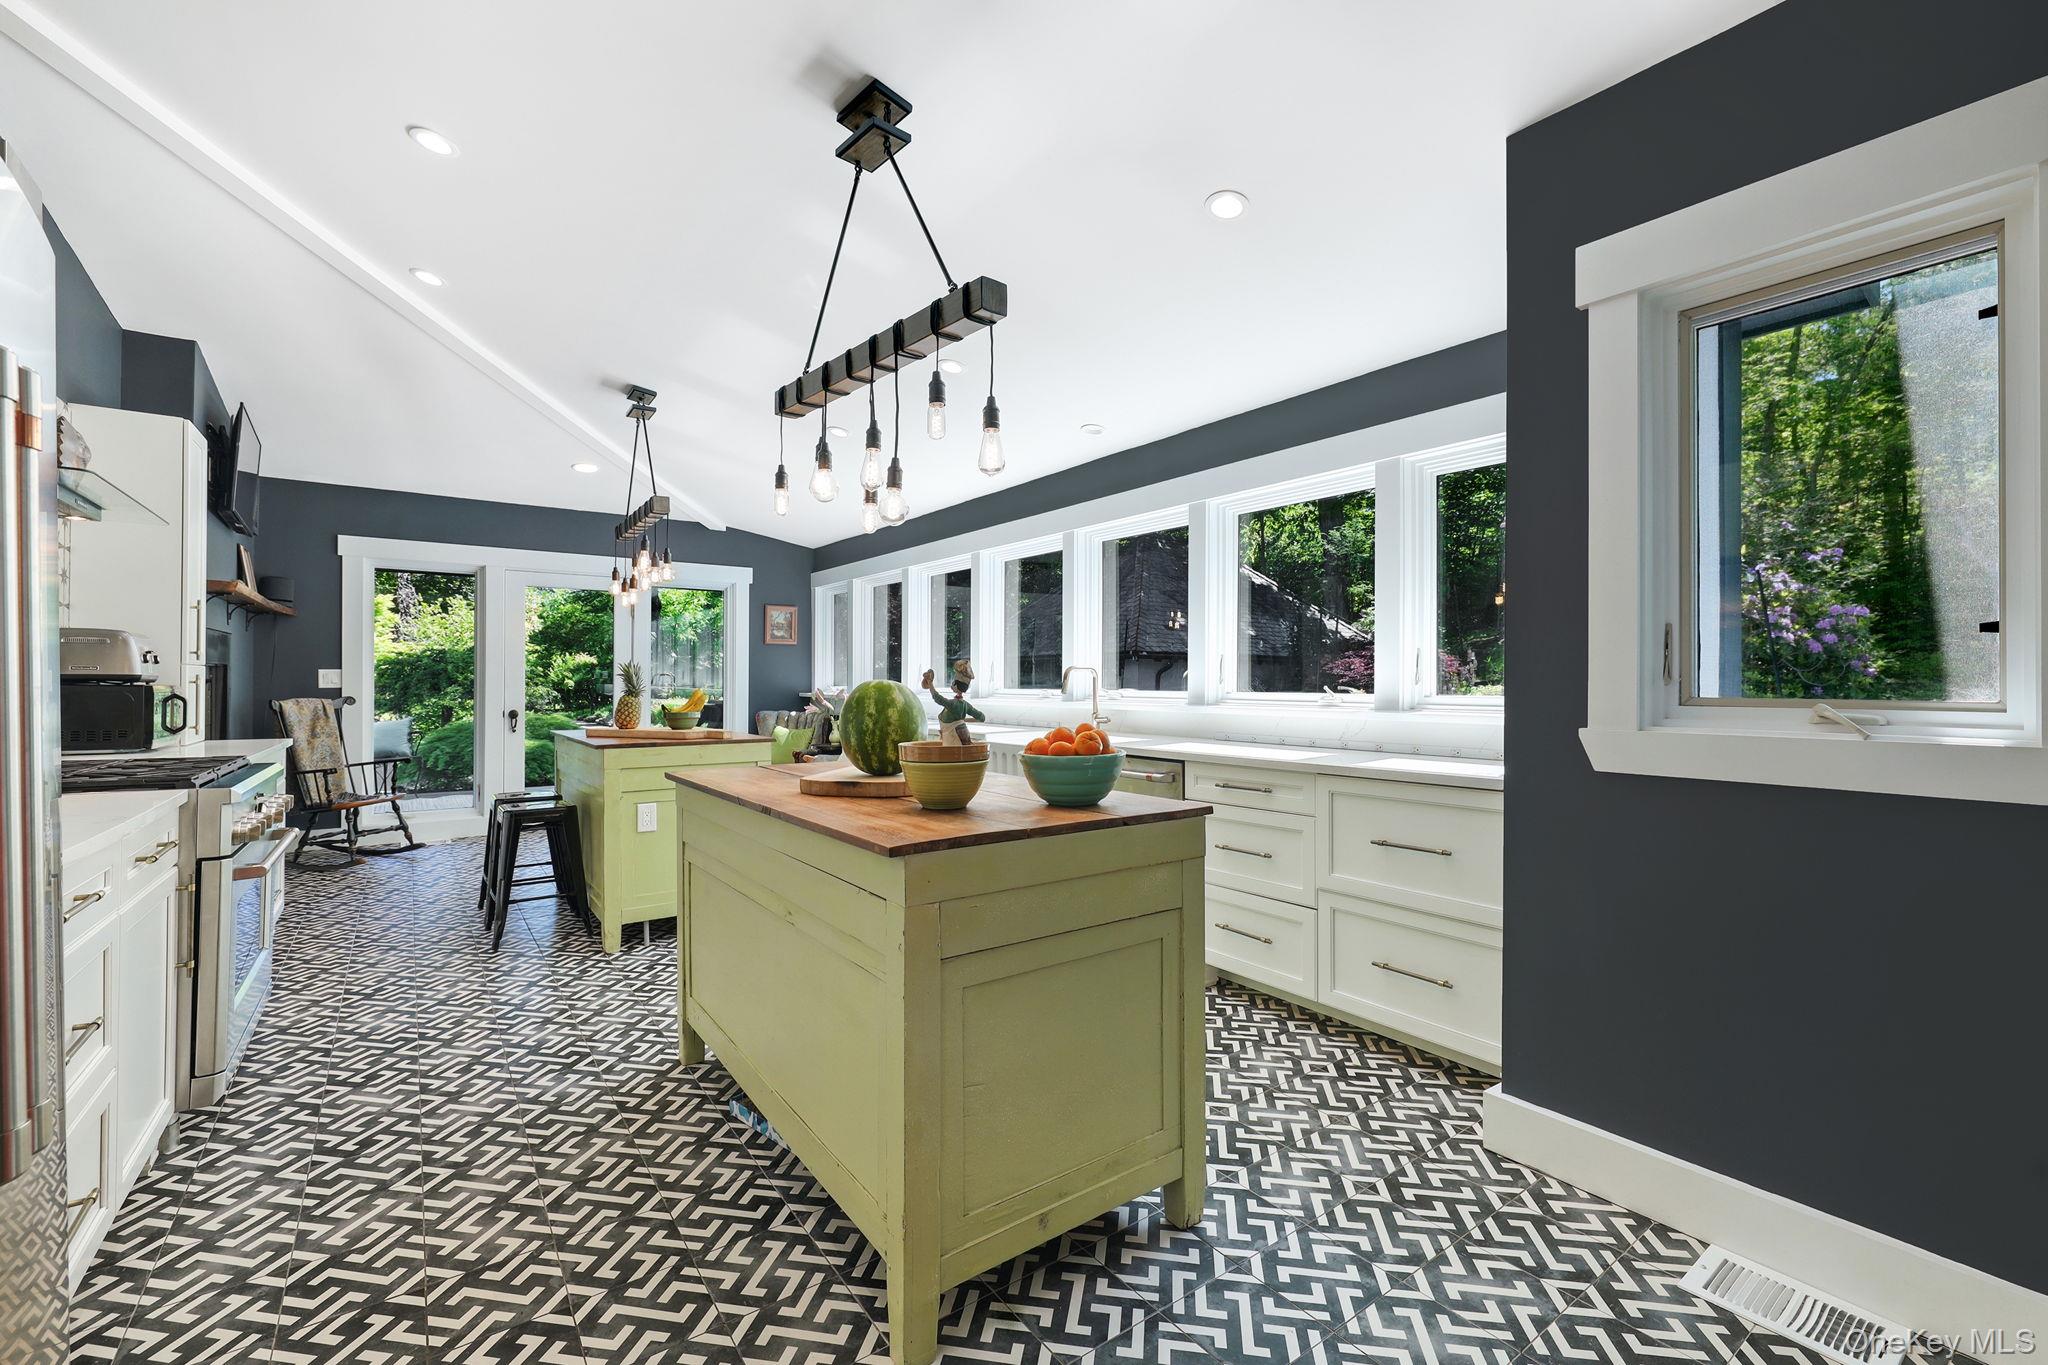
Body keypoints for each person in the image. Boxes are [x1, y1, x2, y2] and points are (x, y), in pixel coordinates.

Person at [920, 660, 985, 745]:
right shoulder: (965, 705)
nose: (952, 684)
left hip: (953, 736)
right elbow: (982, 718)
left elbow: (937, 698)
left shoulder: (953, 704)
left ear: (957, 685)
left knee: (954, 755)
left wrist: (930, 684)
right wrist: (962, 720)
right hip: (957, 735)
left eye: (954, 682)